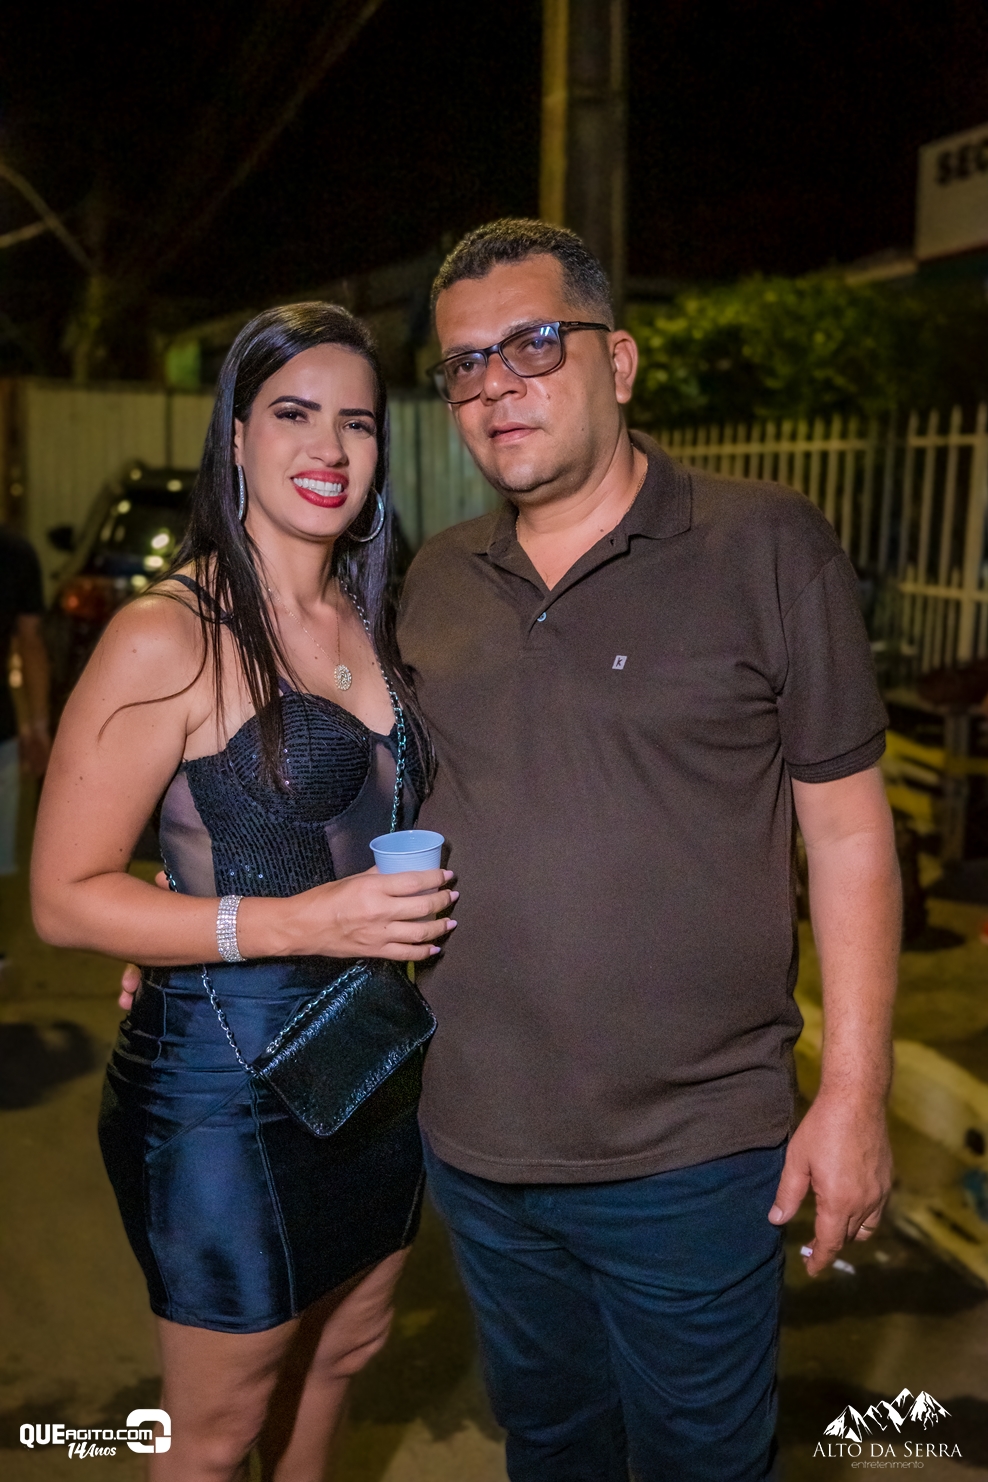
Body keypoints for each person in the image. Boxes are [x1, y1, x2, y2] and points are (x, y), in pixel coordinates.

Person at [397, 221, 901, 1482]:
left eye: (532, 344)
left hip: (691, 1152)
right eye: (465, 363)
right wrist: (210, 929)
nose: (496, 385)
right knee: (551, 1447)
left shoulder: (765, 545)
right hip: (477, 1142)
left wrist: (853, 1094)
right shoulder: (434, 581)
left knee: (700, 1463)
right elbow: (357, 802)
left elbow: (849, 834)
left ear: (617, 362)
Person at [31, 303, 458, 1482]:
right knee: (217, 1432)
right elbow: (62, 898)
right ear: (234, 435)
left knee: (343, 1356)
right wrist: (286, 921)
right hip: (224, 1088)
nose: (328, 448)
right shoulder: (167, 634)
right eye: (293, 415)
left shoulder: (374, 617)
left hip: (375, 1061)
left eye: (356, 423)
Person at [0, 523, 50, 962]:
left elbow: (31, 644)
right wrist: (37, 725)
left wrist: (35, 727)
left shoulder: (15, 554)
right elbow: (30, 644)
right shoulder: (14, 553)